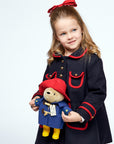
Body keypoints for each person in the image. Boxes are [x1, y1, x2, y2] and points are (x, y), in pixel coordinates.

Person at [29, 0, 112, 143]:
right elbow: (45, 87)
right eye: (63, 33)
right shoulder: (54, 61)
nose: (70, 36)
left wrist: (81, 115)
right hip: (53, 123)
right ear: (56, 36)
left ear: (81, 28)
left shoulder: (91, 60)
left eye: (73, 30)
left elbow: (97, 92)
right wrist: (37, 98)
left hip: (82, 127)